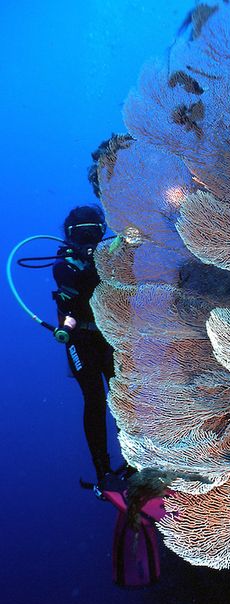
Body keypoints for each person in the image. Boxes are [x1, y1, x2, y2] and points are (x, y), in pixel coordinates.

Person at [52, 204, 114, 484]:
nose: (89, 241)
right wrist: (81, 263)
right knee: (95, 398)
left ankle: (139, 462)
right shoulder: (64, 261)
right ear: (70, 236)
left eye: (94, 234)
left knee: (124, 395)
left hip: (110, 336)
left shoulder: (112, 259)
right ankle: (103, 471)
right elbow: (67, 281)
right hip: (80, 340)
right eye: (82, 235)